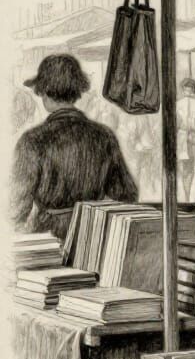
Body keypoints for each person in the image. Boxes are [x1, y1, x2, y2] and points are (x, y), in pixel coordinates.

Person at [11, 54, 136, 237]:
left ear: (44, 92)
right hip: (94, 235)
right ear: (77, 91)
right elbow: (126, 194)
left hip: (48, 239)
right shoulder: (104, 136)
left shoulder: (32, 140)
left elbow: (15, 208)